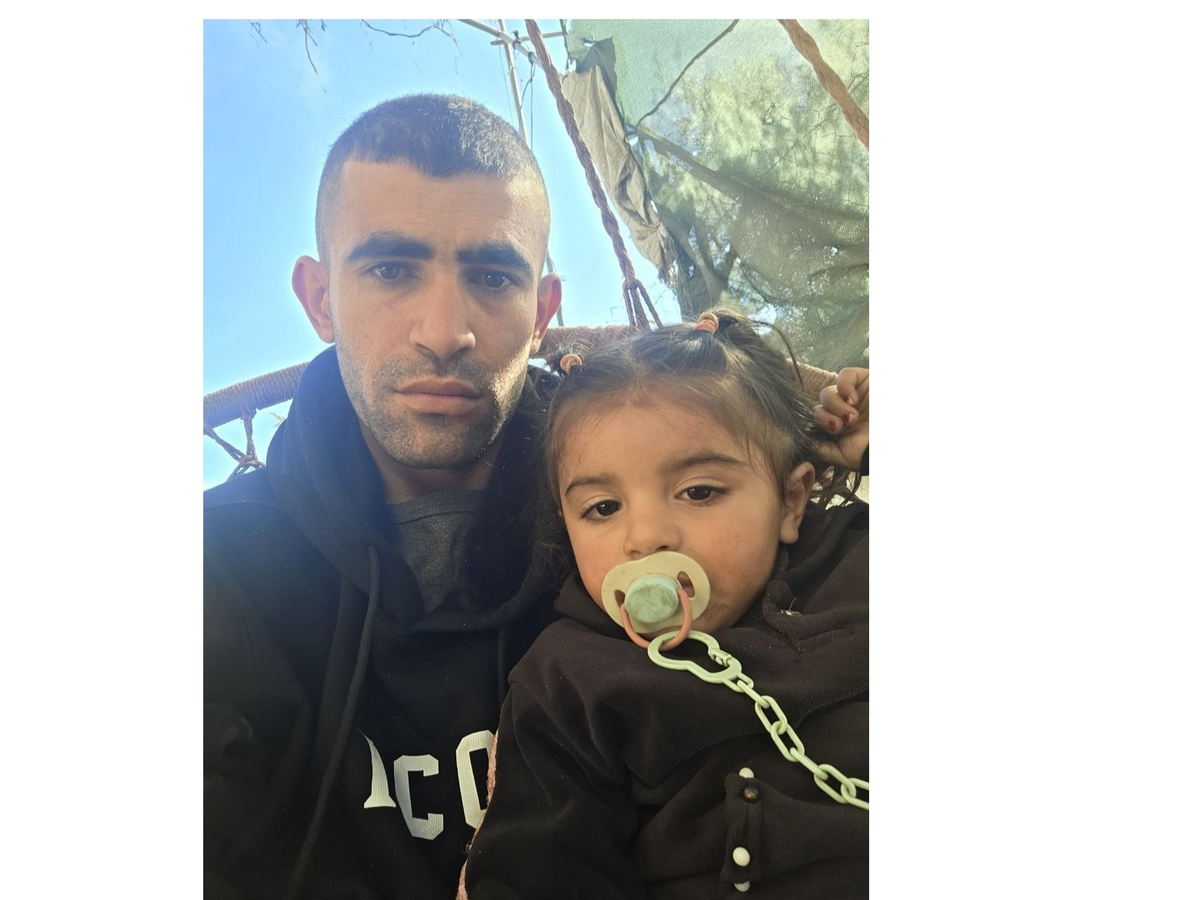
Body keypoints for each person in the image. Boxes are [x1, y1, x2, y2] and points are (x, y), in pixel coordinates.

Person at [204, 93, 857, 899]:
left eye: (492, 276)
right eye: (390, 270)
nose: (444, 331)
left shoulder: (670, 514)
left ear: (543, 310)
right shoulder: (215, 572)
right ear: (319, 299)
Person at [459, 309, 868, 899]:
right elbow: (537, 866)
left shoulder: (854, 566)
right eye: (603, 508)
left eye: (699, 492)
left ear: (790, 501)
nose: (646, 537)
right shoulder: (567, 680)